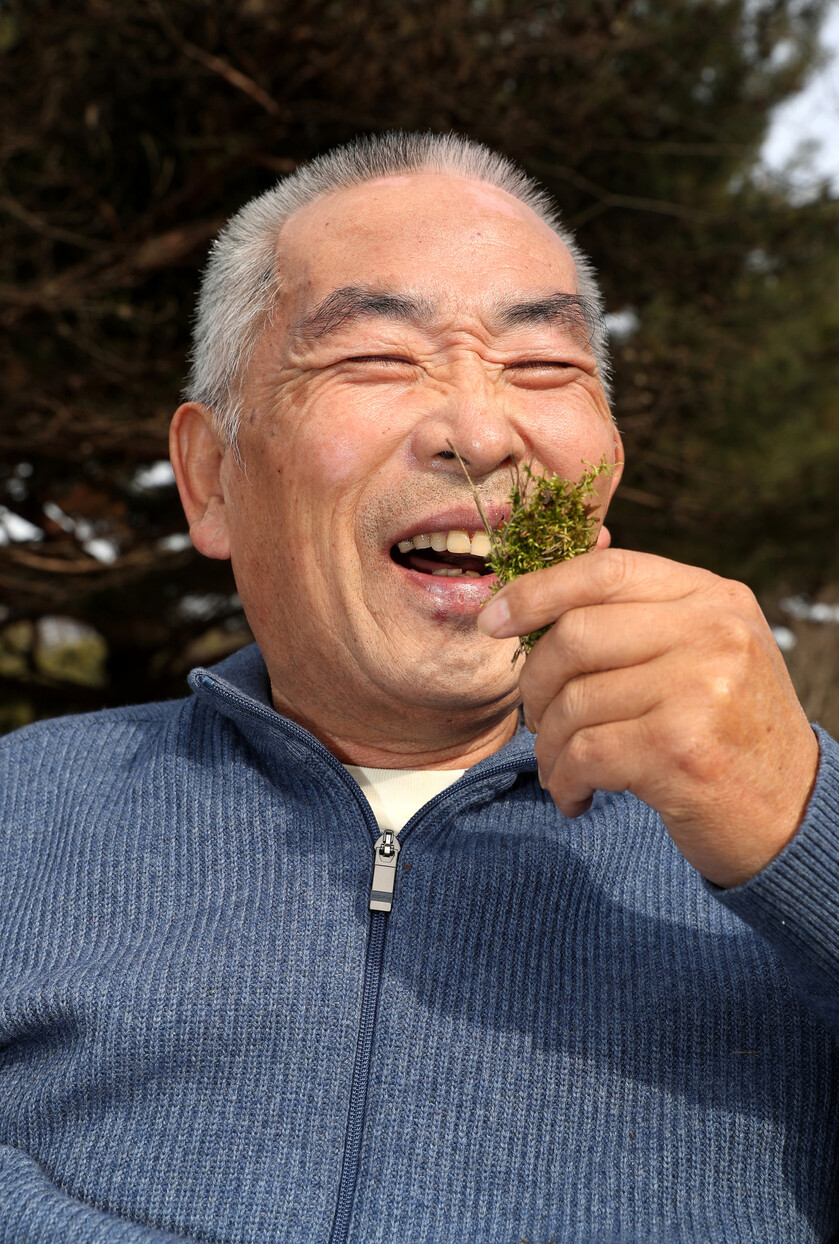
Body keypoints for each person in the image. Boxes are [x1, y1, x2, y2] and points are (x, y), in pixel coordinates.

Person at [1, 131, 837, 1244]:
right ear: (212, 478)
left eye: (542, 368)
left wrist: (798, 826)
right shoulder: (25, 810)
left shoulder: (777, 821)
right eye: (376, 360)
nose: (482, 432)